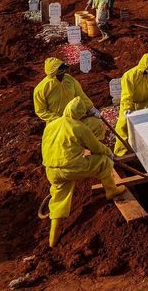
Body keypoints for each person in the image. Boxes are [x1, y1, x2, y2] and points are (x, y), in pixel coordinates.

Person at [41, 97, 126, 247]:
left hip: (51, 169)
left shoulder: (51, 125)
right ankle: (111, 190)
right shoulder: (79, 127)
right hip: (71, 166)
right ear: (80, 113)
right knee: (104, 162)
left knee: (60, 195)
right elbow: (95, 148)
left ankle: (53, 235)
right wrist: (108, 153)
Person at [34, 57, 106, 140]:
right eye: (60, 72)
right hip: (58, 123)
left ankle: (95, 148)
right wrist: (59, 119)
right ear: (53, 73)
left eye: (64, 71)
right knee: (67, 139)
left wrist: (91, 108)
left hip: (77, 118)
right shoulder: (41, 89)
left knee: (97, 125)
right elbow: (41, 111)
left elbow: (81, 95)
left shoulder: (69, 79)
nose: (63, 74)